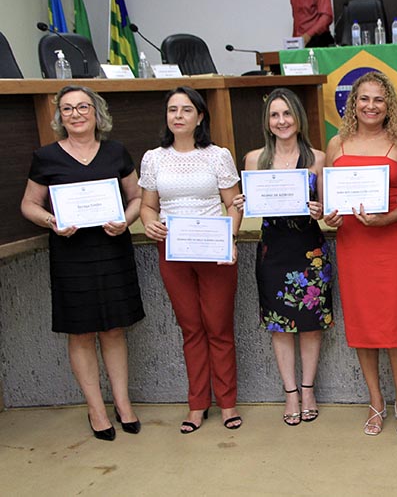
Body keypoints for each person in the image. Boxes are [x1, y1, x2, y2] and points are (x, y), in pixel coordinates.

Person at [20, 85, 145, 441]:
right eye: (68, 108)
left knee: (115, 329)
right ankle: (96, 409)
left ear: (96, 112)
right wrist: (51, 222)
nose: (76, 114)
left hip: (112, 249)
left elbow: (137, 197)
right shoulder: (46, 157)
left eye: (83, 107)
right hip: (71, 254)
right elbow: (29, 204)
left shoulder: (116, 151)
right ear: (60, 116)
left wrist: (126, 220)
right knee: (81, 332)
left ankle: (123, 404)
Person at [323, 71, 397, 436]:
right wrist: (330, 217)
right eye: (364, 98)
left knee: (395, 323)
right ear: (353, 104)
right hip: (353, 244)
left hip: (392, 243)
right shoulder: (337, 144)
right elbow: (328, 201)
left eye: (378, 99)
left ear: (388, 104)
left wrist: (385, 219)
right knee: (362, 324)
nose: (371, 105)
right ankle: (376, 400)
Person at [139, 87, 243, 434]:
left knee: (219, 328)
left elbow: (233, 204)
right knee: (191, 329)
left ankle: (227, 403)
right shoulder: (153, 158)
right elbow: (148, 205)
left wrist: (231, 239)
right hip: (173, 251)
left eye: (186, 110)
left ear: (200, 117)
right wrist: (149, 222)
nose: (178, 116)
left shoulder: (218, 155)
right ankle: (197, 404)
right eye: (172, 110)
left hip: (214, 252)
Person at [233, 89, 333, 426]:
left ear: (299, 118)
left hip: (310, 250)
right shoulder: (254, 159)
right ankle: (290, 393)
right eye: (275, 115)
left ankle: (308, 390)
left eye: (287, 113)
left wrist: (321, 210)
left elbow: (327, 211)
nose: (281, 121)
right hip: (273, 251)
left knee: (311, 325)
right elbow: (249, 208)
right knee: (280, 326)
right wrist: (242, 204)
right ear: (267, 122)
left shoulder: (318, 158)